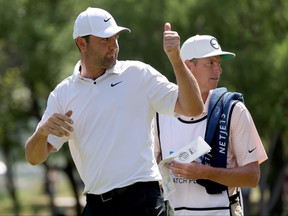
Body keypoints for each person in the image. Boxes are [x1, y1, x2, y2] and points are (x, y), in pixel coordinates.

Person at [25, 7, 203, 216]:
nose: (114, 46)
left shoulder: (139, 74)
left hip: (143, 197)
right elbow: (34, 158)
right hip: (96, 205)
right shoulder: (63, 94)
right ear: (82, 43)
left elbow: (193, 108)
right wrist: (43, 132)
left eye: (115, 38)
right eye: (104, 40)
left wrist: (176, 59)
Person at [154, 35, 268, 216]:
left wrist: (204, 173)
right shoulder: (160, 112)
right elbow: (149, 169)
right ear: (187, 66)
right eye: (210, 63)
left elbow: (252, 176)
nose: (219, 70)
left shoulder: (234, 110)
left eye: (219, 63)